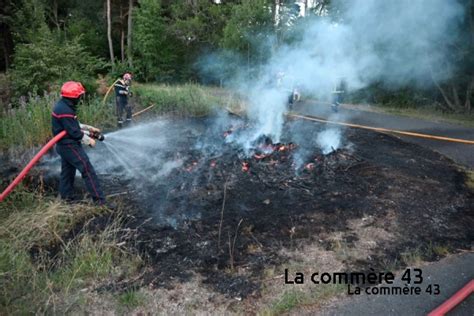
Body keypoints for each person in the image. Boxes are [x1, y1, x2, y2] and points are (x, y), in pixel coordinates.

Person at [52, 81, 106, 204]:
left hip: (63, 145)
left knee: (67, 172)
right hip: (69, 145)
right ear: (74, 97)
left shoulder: (63, 106)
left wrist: (90, 128)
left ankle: (66, 198)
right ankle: (100, 201)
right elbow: (74, 132)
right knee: (87, 170)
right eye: (80, 96)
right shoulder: (65, 110)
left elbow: (73, 125)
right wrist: (89, 140)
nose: (80, 98)